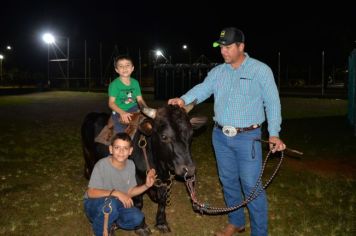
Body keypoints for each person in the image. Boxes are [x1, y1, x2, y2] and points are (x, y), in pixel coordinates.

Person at [168, 27, 286, 236]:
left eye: (228, 47)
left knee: (251, 185)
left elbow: (273, 103)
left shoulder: (260, 70)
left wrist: (274, 133)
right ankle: (236, 222)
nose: (223, 51)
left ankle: (260, 233)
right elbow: (203, 89)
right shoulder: (218, 72)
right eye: (221, 47)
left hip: (248, 137)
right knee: (228, 180)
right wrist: (183, 99)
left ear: (241, 46)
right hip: (220, 136)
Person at [84, 132, 156, 236]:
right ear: (111, 149)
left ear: (130, 151)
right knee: (111, 204)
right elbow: (91, 192)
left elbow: (130, 192)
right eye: (117, 147)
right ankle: (100, 230)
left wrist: (146, 185)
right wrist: (116, 193)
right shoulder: (102, 165)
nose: (121, 151)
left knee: (138, 217)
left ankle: (112, 222)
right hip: (94, 204)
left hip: (116, 203)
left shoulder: (131, 165)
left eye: (125, 148)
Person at [108, 55, 147, 133]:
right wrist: (122, 113)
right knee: (120, 133)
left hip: (134, 108)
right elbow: (111, 103)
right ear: (116, 70)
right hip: (119, 110)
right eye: (121, 66)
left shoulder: (135, 83)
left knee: (148, 126)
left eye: (127, 65)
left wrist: (146, 110)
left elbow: (140, 99)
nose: (124, 68)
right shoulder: (114, 85)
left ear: (132, 68)